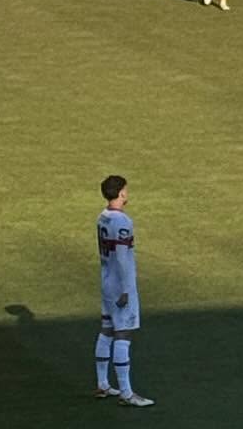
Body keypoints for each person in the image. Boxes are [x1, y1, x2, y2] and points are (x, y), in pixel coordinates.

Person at [95, 174, 153, 407]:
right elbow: (121, 257)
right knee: (123, 334)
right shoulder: (122, 222)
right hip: (120, 285)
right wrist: (127, 289)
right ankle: (126, 393)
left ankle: (102, 383)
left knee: (107, 329)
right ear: (121, 192)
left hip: (106, 281)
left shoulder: (102, 217)